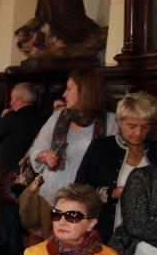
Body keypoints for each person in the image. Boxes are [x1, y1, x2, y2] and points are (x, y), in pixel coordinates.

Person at [24, 68, 117, 237]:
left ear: (85, 91)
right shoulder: (58, 117)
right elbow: (36, 149)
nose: (64, 94)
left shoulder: (110, 121)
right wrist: (46, 155)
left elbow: (112, 161)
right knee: (52, 251)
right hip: (53, 196)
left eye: (69, 88)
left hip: (87, 202)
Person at [76, 91, 157, 244]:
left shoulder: (156, 150)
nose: (138, 133)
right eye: (131, 126)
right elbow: (79, 190)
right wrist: (112, 193)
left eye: (145, 127)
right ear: (119, 122)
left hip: (148, 238)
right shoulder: (100, 148)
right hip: (105, 231)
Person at [0, 82, 45, 174]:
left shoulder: (12, 117)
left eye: (12, 99)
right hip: (32, 172)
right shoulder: (42, 118)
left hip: (9, 173)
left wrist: (2, 118)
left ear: (21, 100)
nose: (11, 103)